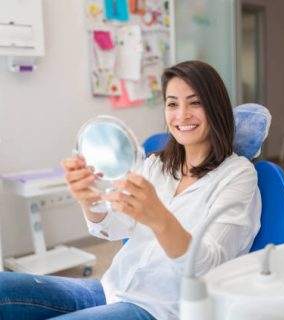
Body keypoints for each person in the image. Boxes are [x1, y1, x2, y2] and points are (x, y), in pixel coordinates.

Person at [0, 60, 261, 320]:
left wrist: (159, 219)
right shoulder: (156, 165)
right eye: (172, 104)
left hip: (162, 309)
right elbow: (117, 227)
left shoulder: (237, 175)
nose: (181, 115)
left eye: (195, 102)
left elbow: (209, 265)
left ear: (216, 107)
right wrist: (89, 200)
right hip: (110, 289)